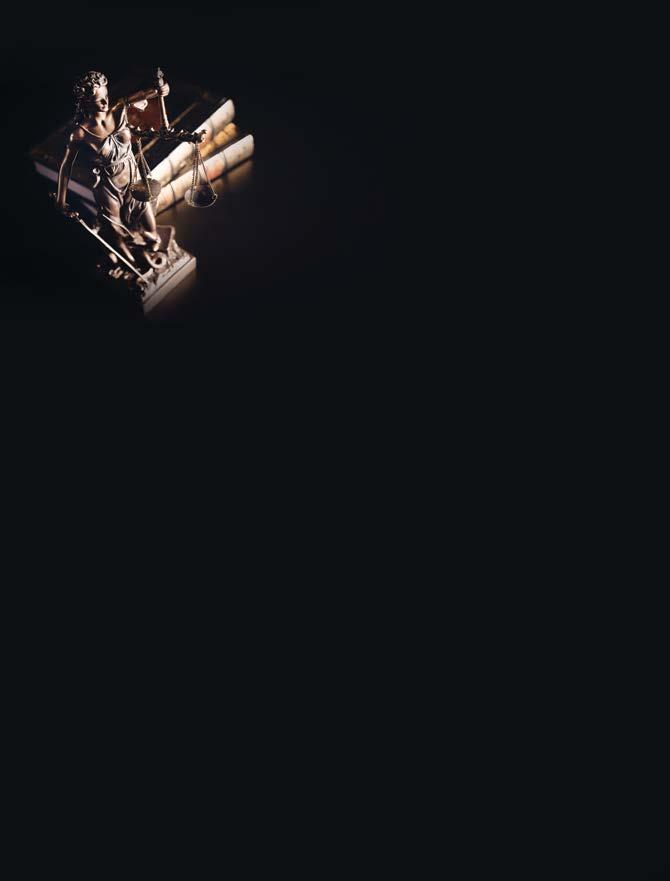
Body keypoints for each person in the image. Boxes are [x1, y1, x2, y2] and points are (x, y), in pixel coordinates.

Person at [55, 70, 170, 264]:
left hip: (132, 177)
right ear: (86, 102)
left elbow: (149, 92)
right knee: (115, 227)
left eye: (106, 96)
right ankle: (126, 257)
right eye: (99, 100)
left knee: (150, 227)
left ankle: (148, 246)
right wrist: (61, 200)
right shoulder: (80, 134)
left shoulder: (119, 108)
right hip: (108, 186)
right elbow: (66, 166)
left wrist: (162, 89)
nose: (105, 102)